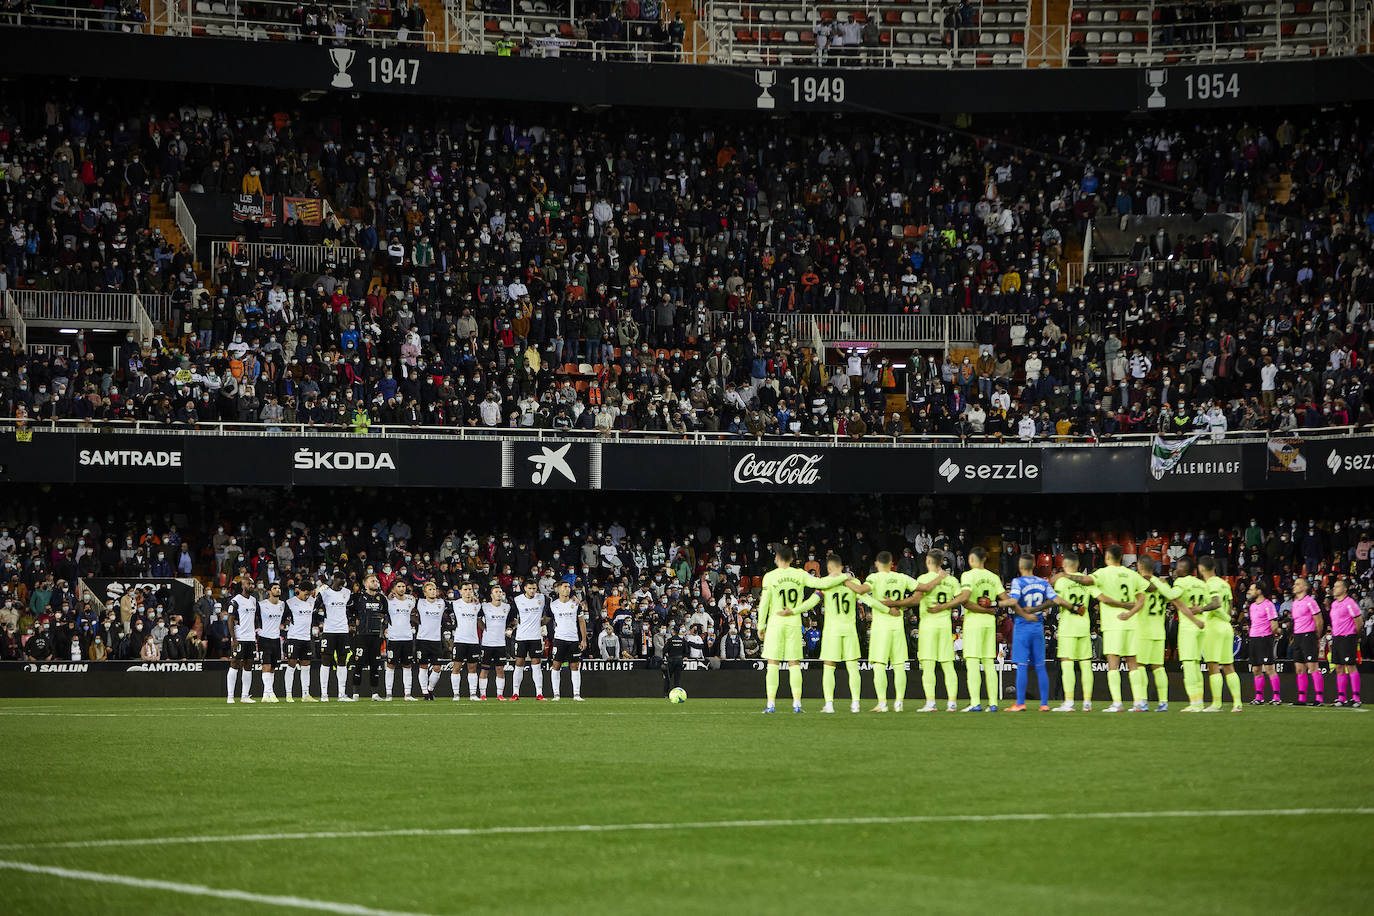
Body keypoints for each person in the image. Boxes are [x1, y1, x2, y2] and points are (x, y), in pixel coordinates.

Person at [1060, 545, 1146, 712]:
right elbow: (1142, 598)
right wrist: (1130, 613)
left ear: (1107, 557)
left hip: (1113, 624)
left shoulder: (1104, 573)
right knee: (1133, 664)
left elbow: (1086, 581)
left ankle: (1117, 703)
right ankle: (1138, 703)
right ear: (1121, 557)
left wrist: (1065, 574)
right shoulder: (1132, 574)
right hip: (1131, 624)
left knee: (1113, 664)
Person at [882, 548, 963, 712]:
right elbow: (962, 597)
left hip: (928, 625)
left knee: (928, 665)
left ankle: (931, 703)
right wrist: (946, 606)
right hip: (945, 625)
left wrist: (895, 603)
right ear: (942, 561)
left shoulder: (924, 579)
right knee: (948, 665)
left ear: (927, 561)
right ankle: (952, 703)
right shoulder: (951, 580)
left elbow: (915, 599)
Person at [792, 552, 865, 714]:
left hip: (832, 631)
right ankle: (855, 704)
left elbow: (812, 601)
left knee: (829, 667)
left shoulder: (826, 584)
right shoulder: (854, 582)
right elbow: (866, 599)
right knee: (853, 667)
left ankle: (829, 705)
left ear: (829, 567)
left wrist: (794, 610)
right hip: (849, 630)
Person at [843, 549, 916, 713]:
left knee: (879, 665)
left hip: (881, 627)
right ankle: (899, 703)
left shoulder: (874, 578)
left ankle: (882, 703)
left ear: (876, 564)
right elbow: (920, 591)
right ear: (892, 564)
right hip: (897, 626)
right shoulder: (902, 578)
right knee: (899, 666)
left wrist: (845, 581)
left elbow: (861, 591)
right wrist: (902, 604)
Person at [1004, 554, 1072, 711]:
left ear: (1021, 566)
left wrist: (999, 602)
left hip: (1022, 627)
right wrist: (1038, 609)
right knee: (1040, 666)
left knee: (1022, 666)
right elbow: (1055, 600)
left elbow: (1013, 601)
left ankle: (1020, 703)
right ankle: (1044, 704)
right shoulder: (1043, 582)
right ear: (1033, 565)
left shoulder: (1017, 582)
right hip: (1037, 627)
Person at [958, 546, 1008, 712]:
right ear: (984, 559)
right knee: (988, 663)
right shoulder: (994, 577)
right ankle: (993, 704)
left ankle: (975, 702)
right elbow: (1007, 600)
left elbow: (965, 600)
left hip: (974, 623)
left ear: (971, 559)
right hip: (989, 624)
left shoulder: (967, 575)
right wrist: (992, 607)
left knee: (972, 662)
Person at [1049, 551, 1095, 711]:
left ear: (1064, 565)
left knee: (1067, 663)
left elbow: (1054, 596)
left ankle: (1069, 702)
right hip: (1084, 627)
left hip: (1068, 627)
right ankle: (1087, 702)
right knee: (1085, 664)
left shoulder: (1062, 582)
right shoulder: (1086, 582)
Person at [1197, 556, 1242, 712]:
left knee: (1213, 666)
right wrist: (1227, 618)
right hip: (1226, 628)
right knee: (1229, 666)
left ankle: (1216, 704)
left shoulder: (1210, 584)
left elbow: (1216, 603)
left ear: (1201, 568)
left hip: (1214, 627)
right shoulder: (1225, 583)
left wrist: (1200, 609)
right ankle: (1237, 703)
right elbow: (1229, 607)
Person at [1168, 557, 1210, 711]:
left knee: (1189, 666)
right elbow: (1207, 604)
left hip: (1188, 628)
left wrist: (1163, 585)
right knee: (1197, 665)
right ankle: (1200, 702)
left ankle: (1194, 703)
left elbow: (1172, 596)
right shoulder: (1201, 584)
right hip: (1201, 627)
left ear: (1183, 569)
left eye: (1178, 566)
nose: (1175, 569)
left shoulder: (1180, 583)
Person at [1132, 557, 1173, 711]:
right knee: (1158, 667)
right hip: (1159, 631)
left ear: (1139, 566)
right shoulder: (1162, 584)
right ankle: (1163, 702)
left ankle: (1142, 702)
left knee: (1139, 666)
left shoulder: (1139, 583)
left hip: (1143, 630)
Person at [347, 573, 388, 701]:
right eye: (372, 581)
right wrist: (353, 621)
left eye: (376, 581)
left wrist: (384, 625)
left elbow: (386, 613)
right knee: (358, 663)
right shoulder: (358, 597)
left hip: (376, 636)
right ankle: (355, 694)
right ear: (365, 584)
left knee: (375, 664)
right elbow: (349, 610)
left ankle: (375, 694)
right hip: (362, 636)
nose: (375, 583)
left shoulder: (381, 598)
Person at [547, 580, 587, 701]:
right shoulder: (553, 605)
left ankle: (576, 694)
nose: (567, 589)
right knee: (556, 665)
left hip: (573, 640)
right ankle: (556, 694)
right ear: (559, 589)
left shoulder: (576, 604)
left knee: (575, 666)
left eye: (569, 587)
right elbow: (548, 620)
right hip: (559, 639)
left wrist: (583, 639)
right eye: (565, 587)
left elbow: (581, 621)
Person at [1327, 579, 1364, 707]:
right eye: (1334, 586)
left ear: (1344, 589)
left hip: (1348, 637)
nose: (1334, 588)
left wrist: (1355, 636)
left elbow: (1359, 621)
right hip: (1336, 638)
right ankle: (1341, 697)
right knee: (1338, 667)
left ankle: (1356, 697)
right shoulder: (1334, 604)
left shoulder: (1350, 603)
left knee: (1350, 666)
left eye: (1337, 586)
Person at [283, 580, 321, 702]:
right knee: (291, 664)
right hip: (294, 638)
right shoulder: (290, 603)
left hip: (306, 638)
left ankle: (305, 694)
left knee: (306, 666)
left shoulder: (312, 601)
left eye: (309, 594)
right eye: (306, 594)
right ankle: (289, 694)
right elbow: (283, 619)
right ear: (300, 591)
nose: (308, 596)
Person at [1289, 577, 1324, 706]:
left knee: (1312, 666)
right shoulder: (1294, 603)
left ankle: (1319, 698)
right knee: (1299, 668)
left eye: (1297, 584)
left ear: (1304, 587)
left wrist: (1316, 636)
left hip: (1308, 636)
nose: (1294, 586)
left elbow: (1319, 620)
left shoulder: (1310, 602)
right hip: (1298, 636)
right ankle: (1302, 698)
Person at [510, 579, 547, 700]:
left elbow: (550, 614)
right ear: (525, 588)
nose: (532, 591)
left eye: (534, 588)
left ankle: (539, 693)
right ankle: (515, 693)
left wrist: (540, 623)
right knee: (519, 663)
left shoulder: (542, 598)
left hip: (535, 637)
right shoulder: (517, 600)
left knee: (536, 664)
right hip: (521, 637)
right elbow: (512, 616)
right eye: (530, 588)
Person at [317, 575, 352, 703]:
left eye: (343, 581)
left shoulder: (347, 593)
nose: (342, 583)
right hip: (329, 631)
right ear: (334, 580)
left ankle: (341, 694)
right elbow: (315, 607)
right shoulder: (325, 593)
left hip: (343, 631)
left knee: (342, 660)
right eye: (340, 581)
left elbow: (350, 609)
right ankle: (324, 694)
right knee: (325, 660)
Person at [1245, 581, 1280, 705]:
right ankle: (1259, 697)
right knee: (1255, 669)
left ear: (1259, 591)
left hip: (1264, 638)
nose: (1250, 592)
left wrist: (1267, 635)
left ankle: (1276, 697)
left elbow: (1274, 625)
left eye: (1252, 589)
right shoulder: (1252, 606)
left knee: (1269, 668)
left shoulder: (1268, 605)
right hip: (1253, 639)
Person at [382, 580, 417, 701]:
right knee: (390, 665)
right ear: (394, 588)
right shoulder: (389, 601)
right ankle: (388, 694)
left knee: (407, 665)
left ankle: (407, 694)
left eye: (403, 586)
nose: (402, 588)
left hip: (407, 637)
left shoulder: (410, 601)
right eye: (399, 586)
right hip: (393, 638)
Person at [226, 577, 258, 704]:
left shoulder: (254, 600)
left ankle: (245, 696)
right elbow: (230, 619)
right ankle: (230, 696)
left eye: (252, 583)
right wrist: (234, 638)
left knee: (248, 665)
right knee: (234, 663)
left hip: (250, 638)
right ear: (242, 585)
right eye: (248, 583)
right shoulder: (236, 600)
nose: (251, 585)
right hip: (239, 638)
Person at [450, 581, 483, 701]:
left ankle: (473, 694)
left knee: (472, 668)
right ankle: (456, 694)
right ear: (460, 591)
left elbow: (481, 620)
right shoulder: (454, 604)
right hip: (459, 640)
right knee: (456, 668)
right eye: (465, 589)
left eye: (470, 589)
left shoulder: (478, 605)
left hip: (473, 641)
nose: (468, 592)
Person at [414, 580, 447, 700]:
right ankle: (425, 693)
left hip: (436, 640)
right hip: (422, 639)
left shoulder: (442, 603)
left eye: (434, 589)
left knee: (437, 668)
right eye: (430, 589)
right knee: (423, 666)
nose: (433, 591)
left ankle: (430, 689)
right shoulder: (419, 602)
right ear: (425, 592)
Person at [255, 581, 287, 703]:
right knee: (266, 665)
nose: (278, 590)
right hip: (264, 638)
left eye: (279, 588)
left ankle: (265, 695)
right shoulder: (261, 605)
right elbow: (255, 618)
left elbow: (284, 619)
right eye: (274, 588)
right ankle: (271, 692)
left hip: (276, 639)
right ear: (269, 591)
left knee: (273, 668)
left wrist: (283, 625)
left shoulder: (283, 605)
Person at [479, 584, 511, 701]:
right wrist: (485, 628)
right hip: (487, 643)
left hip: (500, 643)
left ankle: (500, 695)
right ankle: (483, 694)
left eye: (500, 591)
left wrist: (510, 628)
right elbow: (478, 619)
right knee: (484, 669)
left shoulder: (507, 607)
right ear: (491, 595)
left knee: (500, 669)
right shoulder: (484, 607)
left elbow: (513, 620)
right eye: (496, 592)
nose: (499, 593)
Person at [662, 624, 687, 696]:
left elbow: (664, 651)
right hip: (680, 660)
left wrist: (668, 655)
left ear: (673, 631)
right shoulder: (682, 640)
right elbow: (686, 651)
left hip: (672, 660)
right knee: (677, 679)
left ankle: (666, 694)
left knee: (668, 677)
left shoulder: (670, 640)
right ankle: (678, 694)